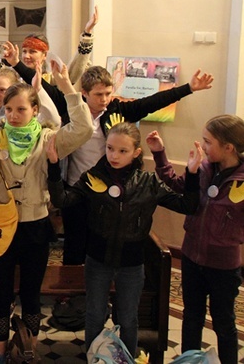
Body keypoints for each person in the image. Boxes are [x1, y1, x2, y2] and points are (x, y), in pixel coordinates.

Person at [0, 51, 93, 364]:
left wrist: (68, 88)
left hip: (36, 227)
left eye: (21, 109)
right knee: (0, 294)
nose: (13, 115)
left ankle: (29, 351)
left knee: (30, 295)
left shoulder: (48, 138)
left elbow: (83, 129)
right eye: (8, 109)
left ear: (35, 110)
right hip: (3, 226)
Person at [47, 122, 202, 356]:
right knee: (95, 315)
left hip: (131, 263)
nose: (114, 156)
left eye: (122, 151)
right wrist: (53, 165)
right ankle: (95, 358)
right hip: (98, 260)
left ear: (136, 152)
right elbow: (62, 201)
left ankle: (127, 359)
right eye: (109, 148)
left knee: (128, 317)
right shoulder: (92, 178)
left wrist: (191, 174)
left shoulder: (147, 182)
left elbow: (187, 205)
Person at [148, 116, 244, 364]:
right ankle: (189, 361)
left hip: (224, 266)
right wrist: (159, 154)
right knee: (192, 316)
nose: (203, 146)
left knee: (223, 322)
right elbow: (176, 184)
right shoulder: (204, 169)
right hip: (192, 257)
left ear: (228, 147)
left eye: (208, 141)